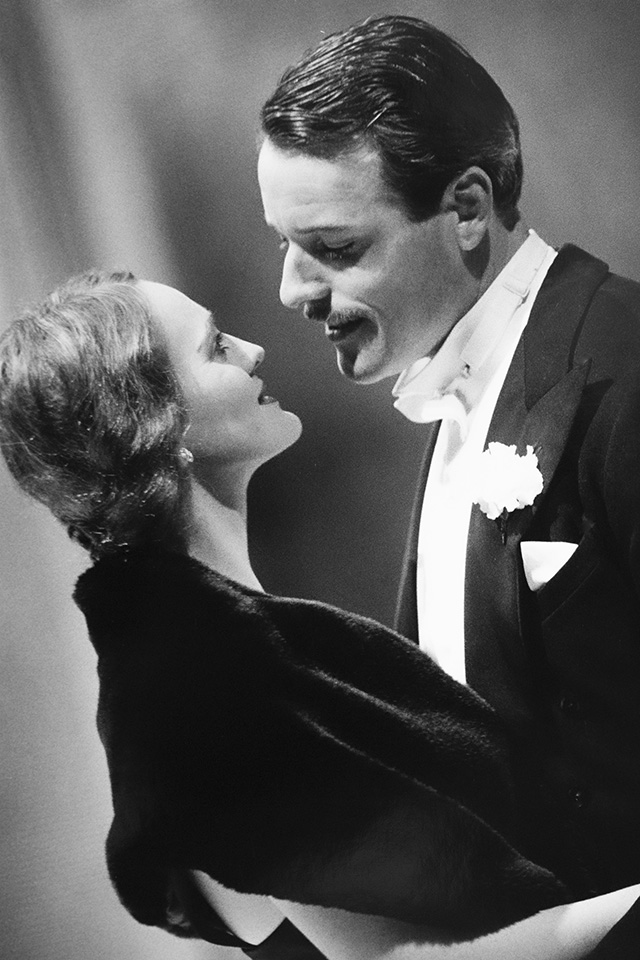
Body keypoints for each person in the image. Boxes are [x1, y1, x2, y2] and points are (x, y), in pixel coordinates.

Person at [0, 271, 638, 960]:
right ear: (155, 425)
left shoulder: (237, 646)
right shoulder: (193, 685)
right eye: (216, 347)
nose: (253, 350)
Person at [257, 12, 640, 956]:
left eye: (335, 248)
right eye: (283, 243)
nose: (290, 292)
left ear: (467, 208)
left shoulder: (627, 374)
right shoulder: (458, 383)